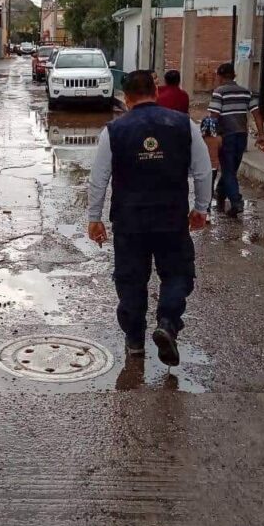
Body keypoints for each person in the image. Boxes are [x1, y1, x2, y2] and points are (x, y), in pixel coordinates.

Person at [87, 70, 212, 367]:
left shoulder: (113, 131)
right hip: (171, 218)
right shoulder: (185, 125)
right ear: (156, 92)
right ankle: (167, 323)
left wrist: (95, 217)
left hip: (129, 221)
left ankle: (134, 341)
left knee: (131, 280)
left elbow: (98, 178)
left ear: (126, 98)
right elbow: (203, 171)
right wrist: (201, 209)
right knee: (177, 274)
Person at [208, 62, 264, 217]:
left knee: (228, 170)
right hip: (241, 136)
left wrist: (210, 138)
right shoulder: (246, 92)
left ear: (219, 77)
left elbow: (213, 116)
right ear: (234, 75)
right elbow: (256, 114)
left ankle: (236, 201)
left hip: (226, 136)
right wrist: (261, 135)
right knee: (231, 168)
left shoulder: (219, 92)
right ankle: (221, 192)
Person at [199, 115, 221, 224]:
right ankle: (207, 210)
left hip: (202, 167)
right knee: (210, 188)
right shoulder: (218, 139)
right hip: (213, 168)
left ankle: (201, 208)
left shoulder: (200, 139)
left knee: (201, 188)